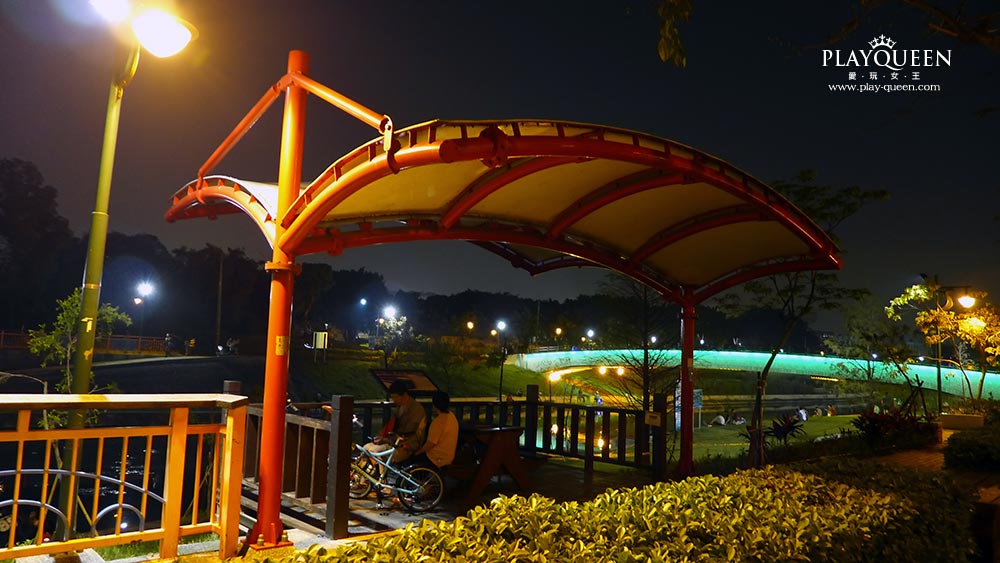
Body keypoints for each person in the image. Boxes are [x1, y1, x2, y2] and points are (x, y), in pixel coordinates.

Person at [364, 380, 426, 466]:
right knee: (366, 447)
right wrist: (384, 438)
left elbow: (408, 433)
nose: (394, 400)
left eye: (396, 397)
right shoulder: (400, 407)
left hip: (407, 445)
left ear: (404, 395)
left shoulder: (416, 409)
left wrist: (387, 440)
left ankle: (381, 473)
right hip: (395, 442)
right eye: (392, 397)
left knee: (374, 451)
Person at [410, 391, 459, 470]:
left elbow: (430, 444)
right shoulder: (452, 417)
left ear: (434, 405)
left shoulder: (438, 421)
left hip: (436, 458)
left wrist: (418, 452)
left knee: (410, 460)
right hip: (448, 456)